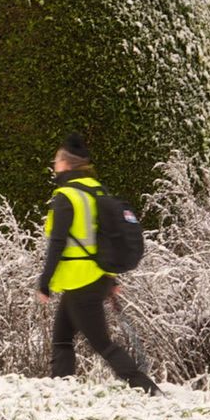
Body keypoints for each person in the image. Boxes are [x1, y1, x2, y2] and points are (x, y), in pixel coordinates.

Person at [37, 133, 160, 396]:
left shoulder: (65, 196)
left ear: (66, 164)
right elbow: (103, 237)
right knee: (61, 338)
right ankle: (62, 394)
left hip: (81, 280)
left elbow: (57, 242)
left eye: (56, 160)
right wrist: (111, 279)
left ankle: (147, 389)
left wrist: (44, 282)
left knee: (102, 343)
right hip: (95, 277)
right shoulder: (95, 189)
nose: (54, 164)